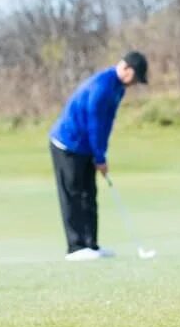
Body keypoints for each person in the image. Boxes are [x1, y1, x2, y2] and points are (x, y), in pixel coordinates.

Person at [49, 51, 148, 261]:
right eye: (136, 77)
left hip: (85, 146)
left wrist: (101, 154)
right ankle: (75, 247)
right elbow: (94, 125)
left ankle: (90, 245)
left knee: (89, 193)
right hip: (68, 143)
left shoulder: (118, 88)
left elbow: (106, 124)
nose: (135, 83)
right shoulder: (102, 86)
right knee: (73, 194)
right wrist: (100, 157)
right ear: (126, 68)